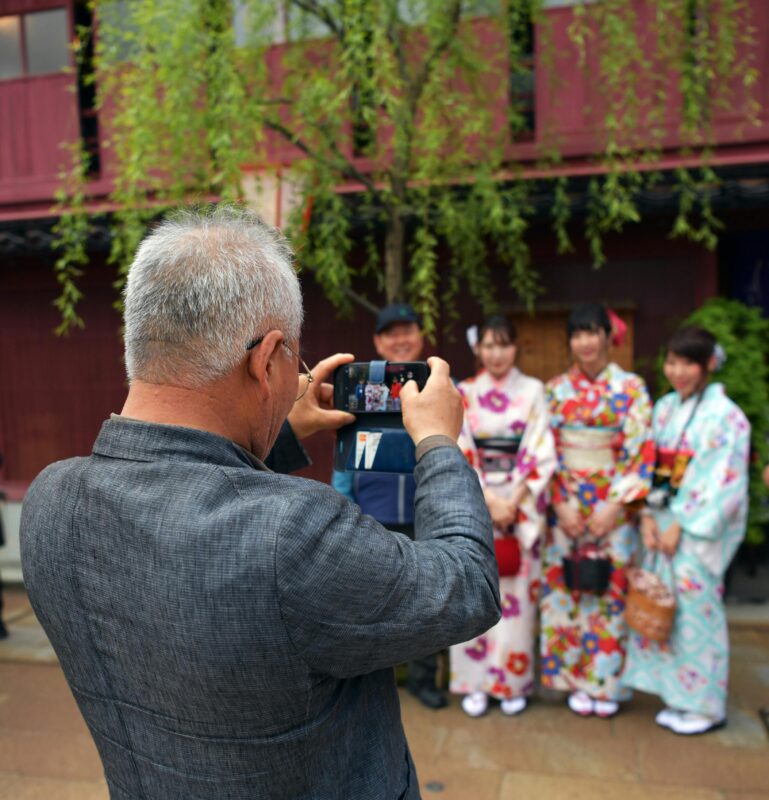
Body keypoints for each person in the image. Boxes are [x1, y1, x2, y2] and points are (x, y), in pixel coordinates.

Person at [20, 206, 501, 800]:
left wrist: (277, 432)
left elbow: (194, 527)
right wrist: (438, 443)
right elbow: (465, 585)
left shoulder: (50, 503)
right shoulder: (292, 531)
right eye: (290, 363)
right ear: (265, 360)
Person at [622, 326, 750, 736]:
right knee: (663, 606)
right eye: (672, 361)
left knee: (698, 612)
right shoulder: (663, 409)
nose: (677, 371)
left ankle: (706, 706)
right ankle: (678, 696)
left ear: (709, 364)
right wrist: (644, 516)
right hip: (659, 522)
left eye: (687, 362)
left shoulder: (728, 418)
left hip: (694, 531)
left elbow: (723, 481)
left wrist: (683, 523)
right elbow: (647, 465)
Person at [331, 302, 448, 709]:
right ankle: (375, 683)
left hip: (422, 517)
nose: (400, 338)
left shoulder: (439, 390)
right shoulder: (362, 391)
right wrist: (347, 511)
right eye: (390, 332)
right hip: (372, 515)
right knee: (372, 602)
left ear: (420, 335)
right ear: (378, 341)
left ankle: (423, 679)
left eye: (407, 330)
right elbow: (344, 456)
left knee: (426, 604)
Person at [541, 303, 654, 718]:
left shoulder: (632, 389)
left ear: (609, 335)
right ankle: (572, 679)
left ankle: (606, 682)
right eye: (577, 334)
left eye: (593, 333)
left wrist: (615, 503)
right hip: (566, 505)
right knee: (567, 589)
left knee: (609, 592)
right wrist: (562, 501)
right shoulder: (553, 390)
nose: (585, 342)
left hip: (613, 504)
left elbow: (641, 450)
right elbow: (543, 450)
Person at [450, 316, 556, 717]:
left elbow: (540, 449)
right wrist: (489, 500)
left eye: (504, 345)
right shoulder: (464, 391)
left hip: (519, 505)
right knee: (475, 592)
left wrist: (514, 500)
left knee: (517, 600)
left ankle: (512, 681)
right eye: (489, 346)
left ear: (516, 348)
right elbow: (459, 447)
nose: (496, 354)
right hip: (480, 501)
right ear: (478, 349)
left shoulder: (533, 391)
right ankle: (474, 682)